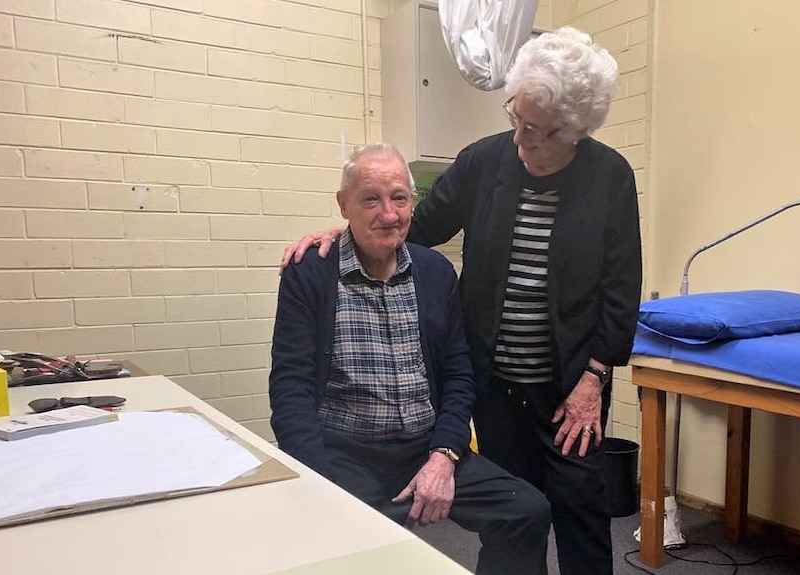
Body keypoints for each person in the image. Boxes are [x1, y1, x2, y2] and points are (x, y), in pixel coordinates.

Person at [282, 27, 642, 575]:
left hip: (573, 385)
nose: (521, 137)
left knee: (581, 507)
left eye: (538, 130)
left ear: (573, 130)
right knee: (519, 511)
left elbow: (621, 286)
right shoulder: (483, 162)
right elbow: (410, 226)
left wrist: (594, 378)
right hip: (494, 382)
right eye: (515, 117)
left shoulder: (609, 176)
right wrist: (346, 230)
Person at [270, 144, 553, 575]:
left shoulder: (435, 272)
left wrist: (444, 455)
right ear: (343, 204)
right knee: (375, 549)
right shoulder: (309, 272)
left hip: (425, 447)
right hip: (344, 452)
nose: (388, 213)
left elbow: (460, 375)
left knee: (526, 511)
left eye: (399, 198)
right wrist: (318, 478)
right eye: (371, 198)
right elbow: (290, 388)